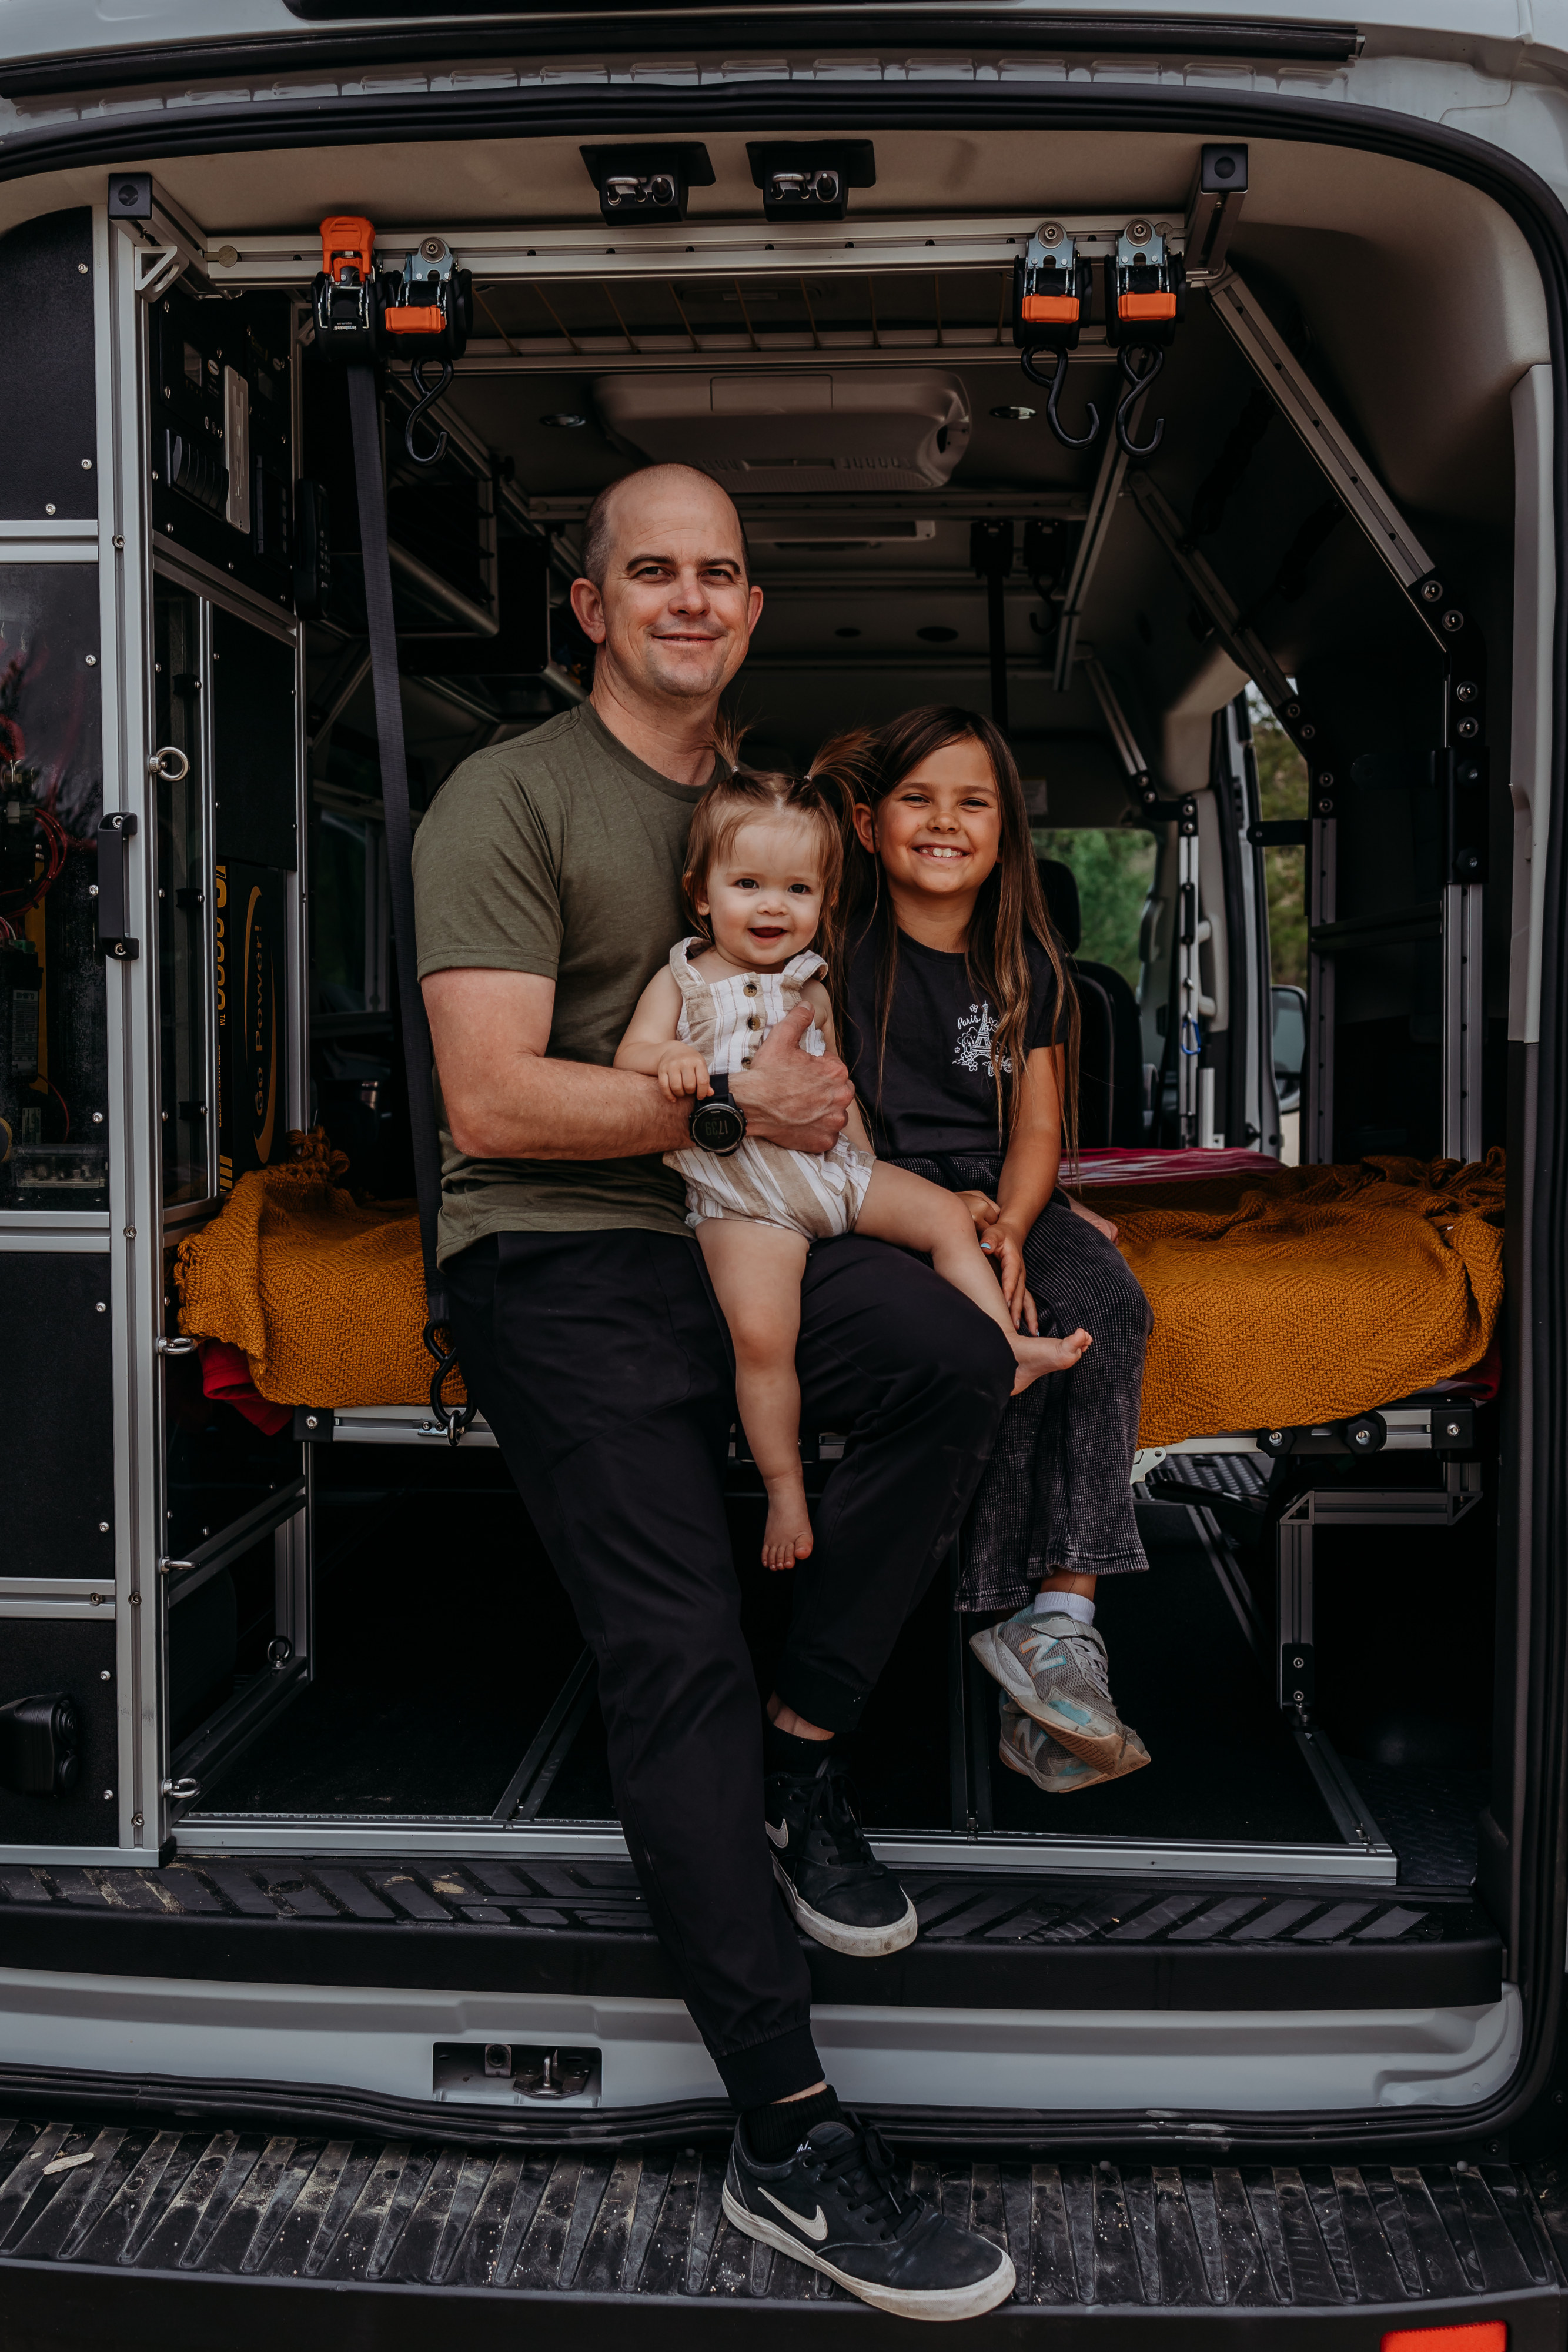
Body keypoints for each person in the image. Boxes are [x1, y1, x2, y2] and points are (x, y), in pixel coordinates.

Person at [413, 464, 1017, 2321]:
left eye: (721, 572)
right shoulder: (505, 798)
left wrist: (955, 1212)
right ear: (588, 607)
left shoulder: (787, 818)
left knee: (952, 1360)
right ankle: (787, 2133)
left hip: (736, 1227)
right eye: (649, 571)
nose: (690, 596)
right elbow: (495, 1102)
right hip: (556, 1250)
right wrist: (737, 1105)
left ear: (752, 609)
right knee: (669, 1640)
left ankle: (803, 1757)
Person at [615, 764, 1091, 1570]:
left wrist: (871, 1173)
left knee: (944, 1213)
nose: (774, 906)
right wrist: (672, 1063)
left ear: (826, 904)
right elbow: (631, 1053)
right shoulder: (684, 980)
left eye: (799, 890)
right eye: (749, 885)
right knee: (763, 1338)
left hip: (830, 1173)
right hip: (747, 1201)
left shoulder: (815, 984)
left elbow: (838, 1094)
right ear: (702, 895)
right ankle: (785, 1491)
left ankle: (1001, 1346)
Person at [835, 706, 1155, 1799]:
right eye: (918, 799)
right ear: (872, 825)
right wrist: (946, 1217)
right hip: (876, 1193)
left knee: (1104, 1314)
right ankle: (994, 1625)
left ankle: (1062, 1623)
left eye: (973, 802)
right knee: (990, 1343)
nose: (945, 822)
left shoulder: (1028, 964)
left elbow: (1036, 1131)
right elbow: (841, 1132)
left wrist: (1016, 1224)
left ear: (1006, 832)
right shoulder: (836, 949)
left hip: (1005, 1193)